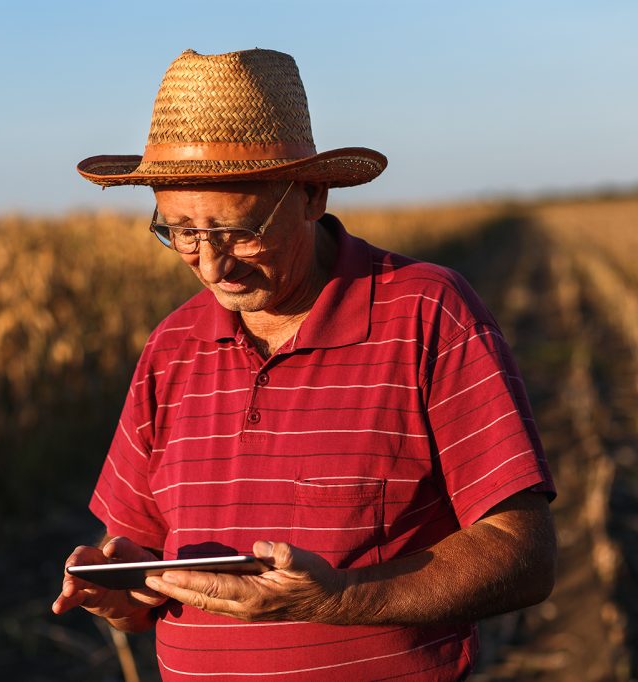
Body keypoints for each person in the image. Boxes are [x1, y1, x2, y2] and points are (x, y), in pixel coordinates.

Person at [53, 48, 556, 680]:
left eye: (239, 231)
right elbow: (141, 566)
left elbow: (522, 553)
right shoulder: (171, 348)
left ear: (312, 195)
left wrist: (341, 600)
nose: (212, 266)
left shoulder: (427, 313)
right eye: (181, 232)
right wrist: (119, 590)